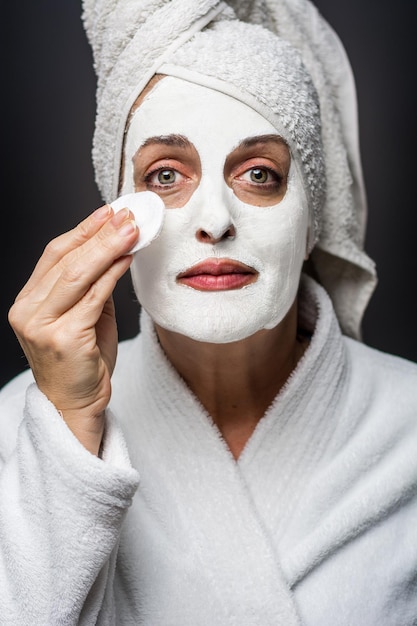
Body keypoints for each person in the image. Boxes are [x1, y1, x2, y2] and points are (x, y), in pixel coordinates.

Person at [0, 0, 416, 624]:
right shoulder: (23, 431)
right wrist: (68, 435)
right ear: (117, 214)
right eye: (165, 175)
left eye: (258, 174)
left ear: (312, 222)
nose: (215, 222)